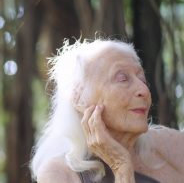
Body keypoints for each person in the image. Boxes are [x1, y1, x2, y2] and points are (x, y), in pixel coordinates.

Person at [30, 39, 184, 183]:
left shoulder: (173, 146)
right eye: (123, 79)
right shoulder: (58, 174)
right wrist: (121, 166)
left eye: (142, 79)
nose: (143, 90)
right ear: (79, 99)